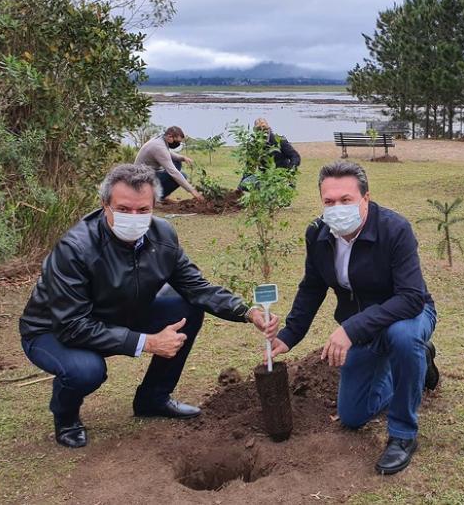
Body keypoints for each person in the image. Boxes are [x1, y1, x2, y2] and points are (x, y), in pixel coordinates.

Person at [18, 164, 274, 448]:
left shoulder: (163, 236)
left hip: (117, 315)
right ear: (105, 206)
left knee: (186, 309)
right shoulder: (75, 249)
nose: (134, 217)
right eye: (124, 209)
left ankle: (153, 399)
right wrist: (146, 342)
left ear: (155, 206)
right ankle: (66, 418)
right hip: (53, 330)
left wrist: (246, 311)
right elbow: (71, 325)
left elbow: (196, 287)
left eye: (143, 210)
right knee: (86, 371)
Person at [267, 160, 438, 475]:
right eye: (328, 201)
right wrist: (289, 335)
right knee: (353, 415)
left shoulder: (394, 229)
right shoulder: (318, 234)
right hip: (362, 328)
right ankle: (415, 365)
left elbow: (411, 297)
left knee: (402, 337)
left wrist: (350, 329)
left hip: (408, 315)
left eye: (346, 200)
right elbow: (312, 287)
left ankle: (402, 435)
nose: (336, 208)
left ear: (366, 198)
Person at [135, 126, 204, 201]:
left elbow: (168, 153)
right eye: (177, 141)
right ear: (170, 137)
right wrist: (192, 191)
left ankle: (159, 195)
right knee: (182, 176)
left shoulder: (160, 140)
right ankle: (155, 198)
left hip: (147, 174)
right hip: (142, 179)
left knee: (177, 162)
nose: (178, 144)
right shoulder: (158, 147)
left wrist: (183, 158)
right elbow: (173, 172)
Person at [238, 118, 301, 190]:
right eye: (259, 130)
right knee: (243, 185)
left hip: (281, 175)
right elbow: (249, 167)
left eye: (264, 129)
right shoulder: (253, 145)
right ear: (255, 131)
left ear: (269, 129)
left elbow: (295, 157)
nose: (262, 132)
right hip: (263, 176)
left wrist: (289, 173)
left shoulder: (279, 141)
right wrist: (240, 187)